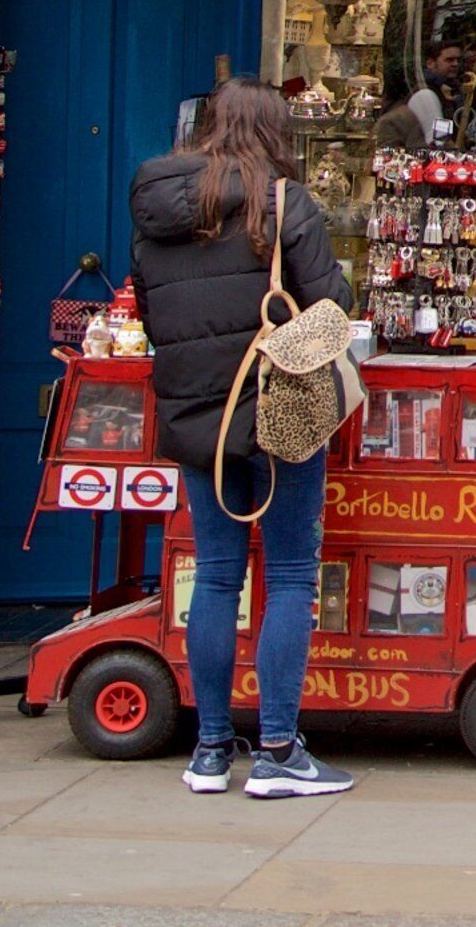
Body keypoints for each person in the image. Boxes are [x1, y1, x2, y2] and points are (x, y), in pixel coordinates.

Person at [131, 79, 359, 801]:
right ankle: (279, 752)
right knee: (290, 573)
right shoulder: (284, 202)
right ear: (274, 131)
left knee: (218, 574)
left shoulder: (156, 207)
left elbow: (147, 308)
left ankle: (208, 752)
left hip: (197, 411)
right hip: (277, 403)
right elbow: (332, 304)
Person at [398, 44, 469, 144]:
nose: (455, 64)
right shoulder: (426, 95)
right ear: (430, 63)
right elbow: (440, 138)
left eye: (458, 60)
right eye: (449, 60)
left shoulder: (449, 91)